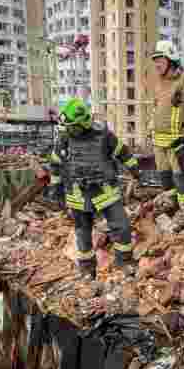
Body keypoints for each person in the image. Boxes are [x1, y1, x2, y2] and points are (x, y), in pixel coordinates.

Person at [40, 98, 140, 279]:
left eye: (72, 126)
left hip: (105, 191)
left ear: (84, 122)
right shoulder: (64, 139)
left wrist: (134, 168)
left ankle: (123, 263)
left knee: (122, 227)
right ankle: (87, 270)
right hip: (78, 194)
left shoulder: (104, 135)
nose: (68, 129)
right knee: (83, 234)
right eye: (67, 126)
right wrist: (56, 188)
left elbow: (122, 152)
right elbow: (55, 163)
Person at [148, 39, 184, 217]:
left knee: (181, 178)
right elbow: (156, 109)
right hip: (159, 141)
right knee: (165, 177)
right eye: (155, 60)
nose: (156, 63)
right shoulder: (158, 83)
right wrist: (151, 129)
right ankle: (172, 210)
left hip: (176, 141)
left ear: (171, 59)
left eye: (160, 59)